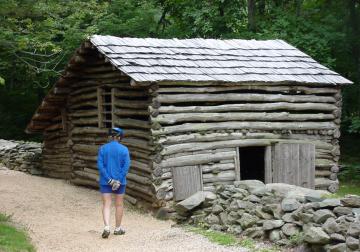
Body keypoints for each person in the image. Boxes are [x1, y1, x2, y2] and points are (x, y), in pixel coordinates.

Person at [97, 127, 130, 239]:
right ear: (119, 137)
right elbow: (126, 167)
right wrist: (118, 180)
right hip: (120, 182)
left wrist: (109, 180)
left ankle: (107, 227)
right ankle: (117, 229)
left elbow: (100, 166)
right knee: (119, 204)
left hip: (105, 182)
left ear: (110, 136)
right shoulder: (124, 149)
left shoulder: (103, 148)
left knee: (106, 204)